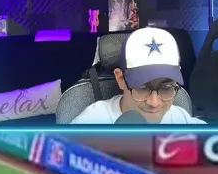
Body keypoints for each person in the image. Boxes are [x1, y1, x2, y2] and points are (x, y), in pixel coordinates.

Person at [69, 27, 205, 124]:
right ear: (120, 79)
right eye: (142, 87)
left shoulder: (180, 119)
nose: (154, 103)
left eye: (166, 87)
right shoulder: (92, 123)